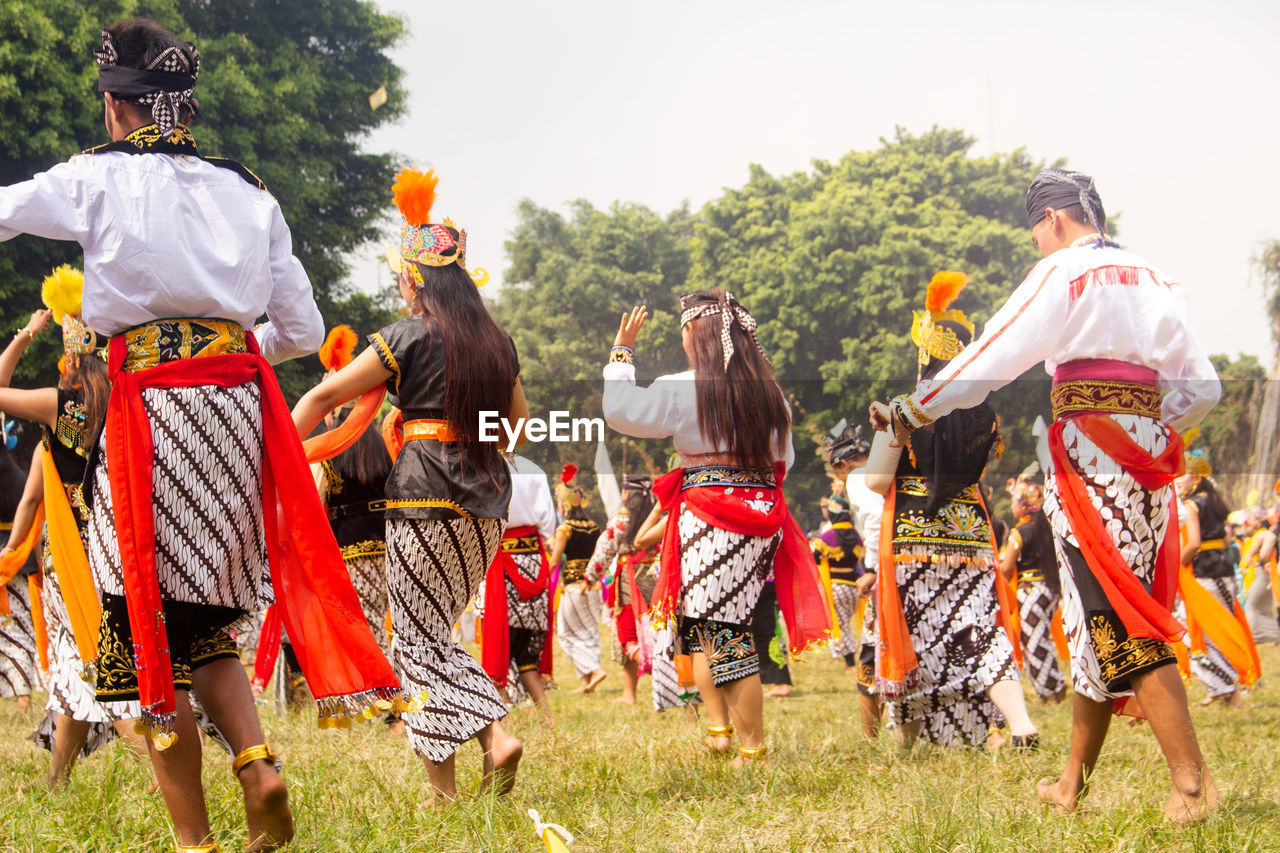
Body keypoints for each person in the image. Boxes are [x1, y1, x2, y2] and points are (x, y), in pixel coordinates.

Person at [0, 19, 398, 850]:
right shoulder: (249, 191)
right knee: (201, 615)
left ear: (116, 106)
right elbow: (298, 327)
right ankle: (256, 762)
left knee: (138, 620)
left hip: (148, 411)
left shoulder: (95, 178)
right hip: (234, 411)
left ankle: (195, 841)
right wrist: (219, 335)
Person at [871, 169, 1222, 822]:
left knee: (1117, 610)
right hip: (1145, 453)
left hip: (1090, 450)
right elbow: (1204, 388)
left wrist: (912, 408)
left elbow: (989, 358)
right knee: (1098, 615)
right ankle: (1070, 783)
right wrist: (1145, 419)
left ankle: (1192, 783)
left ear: (1054, 220)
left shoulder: (1063, 272)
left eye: (1036, 230)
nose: (1037, 242)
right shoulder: (1157, 277)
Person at [292, 166, 526, 804]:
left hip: (423, 497)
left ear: (416, 278)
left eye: (402, 276)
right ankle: (454, 782)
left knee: (417, 642)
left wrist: (280, 447)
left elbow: (326, 394)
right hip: (485, 503)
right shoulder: (497, 342)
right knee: (436, 633)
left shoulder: (408, 335)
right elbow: (516, 428)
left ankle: (490, 741)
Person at [602, 291, 829, 761]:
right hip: (761, 517)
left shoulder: (683, 386)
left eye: (685, 331)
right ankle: (719, 731)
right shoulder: (770, 396)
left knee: (719, 631)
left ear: (698, 336)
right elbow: (785, 458)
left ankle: (753, 748)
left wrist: (622, 354)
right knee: (709, 626)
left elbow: (623, 411)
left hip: (711, 517)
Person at [864, 271, 1037, 750]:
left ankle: (912, 741)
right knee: (977, 631)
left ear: (924, 355)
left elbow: (879, 480)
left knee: (920, 638)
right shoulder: (987, 414)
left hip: (913, 536)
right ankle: (1018, 724)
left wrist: (892, 436)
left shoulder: (905, 406)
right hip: (971, 533)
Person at [0, 272, 145, 788]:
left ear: (68, 362)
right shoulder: (124, 404)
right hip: (115, 545)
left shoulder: (60, 407)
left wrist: (25, 333)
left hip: (70, 557)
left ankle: (157, 768)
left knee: (92, 664)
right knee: (71, 667)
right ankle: (56, 779)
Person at [1175, 442, 1259, 706]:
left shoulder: (1191, 505)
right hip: (1222, 571)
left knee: (1201, 631)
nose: (1178, 480)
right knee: (1222, 626)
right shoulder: (1215, 501)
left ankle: (1227, 687)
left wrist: (1175, 565)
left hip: (1203, 572)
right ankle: (1222, 688)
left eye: (1183, 475)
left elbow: (1193, 543)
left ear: (1196, 478)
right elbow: (1224, 538)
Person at [479, 454, 556, 723]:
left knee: (501, 640)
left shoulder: (481, 465)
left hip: (500, 560)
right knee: (527, 652)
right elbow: (548, 525)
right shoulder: (533, 466)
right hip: (534, 560)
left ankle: (503, 716)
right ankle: (547, 716)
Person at [1000, 466, 1068, 704]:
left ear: (1023, 505)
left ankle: (1051, 691)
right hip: (1049, 590)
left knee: (1033, 642)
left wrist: (999, 587)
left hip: (1030, 592)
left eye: (1014, 502)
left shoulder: (1020, 532)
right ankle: (1054, 686)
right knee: (1041, 639)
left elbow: (1007, 567)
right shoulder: (1047, 529)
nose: (1012, 507)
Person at [815, 421, 871, 673]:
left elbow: (815, 556)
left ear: (843, 465)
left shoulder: (827, 536)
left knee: (840, 623)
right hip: (855, 584)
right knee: (850, 622)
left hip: (837, 586)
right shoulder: (856, 536)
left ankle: (850, 661)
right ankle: (851, 656)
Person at [545, 466, 607, 694]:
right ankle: (586, 682)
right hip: (592, 585)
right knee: (589, 631)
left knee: (565, 633)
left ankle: (594, 669)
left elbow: (554, 561)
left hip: (573, 587)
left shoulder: (565, 528)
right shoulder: (594, 527)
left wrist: (542, 579)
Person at [0, 414, 39, 714]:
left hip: (9, 558)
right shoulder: (18, 477)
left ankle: (20, 694)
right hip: (18, 561)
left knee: (9, 629)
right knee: (19, 627)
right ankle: (22, 697)